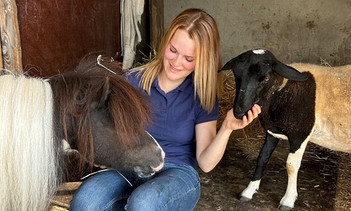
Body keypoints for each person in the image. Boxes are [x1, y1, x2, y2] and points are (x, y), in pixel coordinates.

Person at [70, 8, 261, 211]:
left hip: (177, 172)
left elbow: (205, 163)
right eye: (173, 50)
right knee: (86, 200)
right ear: (166, 43)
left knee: (144, 203)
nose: (176, 63)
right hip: (131, 165)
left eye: (188, 59)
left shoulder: (202, 97)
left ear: (203, 61)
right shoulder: (131, 82)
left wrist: (227, 128)